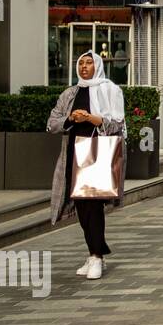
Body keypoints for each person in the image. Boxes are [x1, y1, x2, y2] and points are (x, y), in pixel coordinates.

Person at [46, 52, 126, 280]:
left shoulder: (110, 90)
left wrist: (91, 118)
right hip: (74, 153)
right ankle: (95, 252)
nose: (84, 67)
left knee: (93, 205)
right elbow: (52, 123)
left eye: (89, 62)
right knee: (82, 206)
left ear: (98, 65)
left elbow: (117, 125)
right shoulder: (70, 93)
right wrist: (71, 119)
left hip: (99, 153)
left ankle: (96, 256)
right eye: (80, 62)